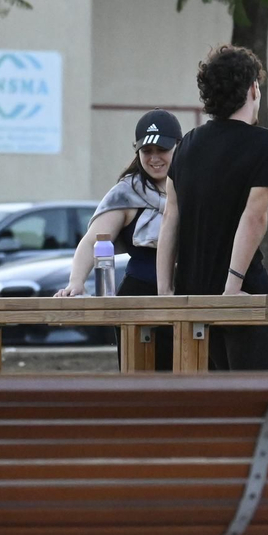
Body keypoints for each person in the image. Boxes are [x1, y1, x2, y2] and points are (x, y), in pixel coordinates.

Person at [156, 45, 268, 371]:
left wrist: (164, 290)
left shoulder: (186, 144)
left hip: (190, 295)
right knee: (248, 401)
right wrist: (232, 288)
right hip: (241, 294)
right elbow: (254, 217)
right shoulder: (267, 144)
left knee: (204, 404)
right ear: (253, 88)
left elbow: (171, 216)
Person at [57, 109, 179, 369]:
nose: (155, 158)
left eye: (163, 149)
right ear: (137, 153)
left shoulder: (193, 186)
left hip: (190, 296)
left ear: (179, 147)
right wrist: (76, 282)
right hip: (139, 297)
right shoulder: (126, 192)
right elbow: (93, 241)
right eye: (147, 151)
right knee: (142, 384)